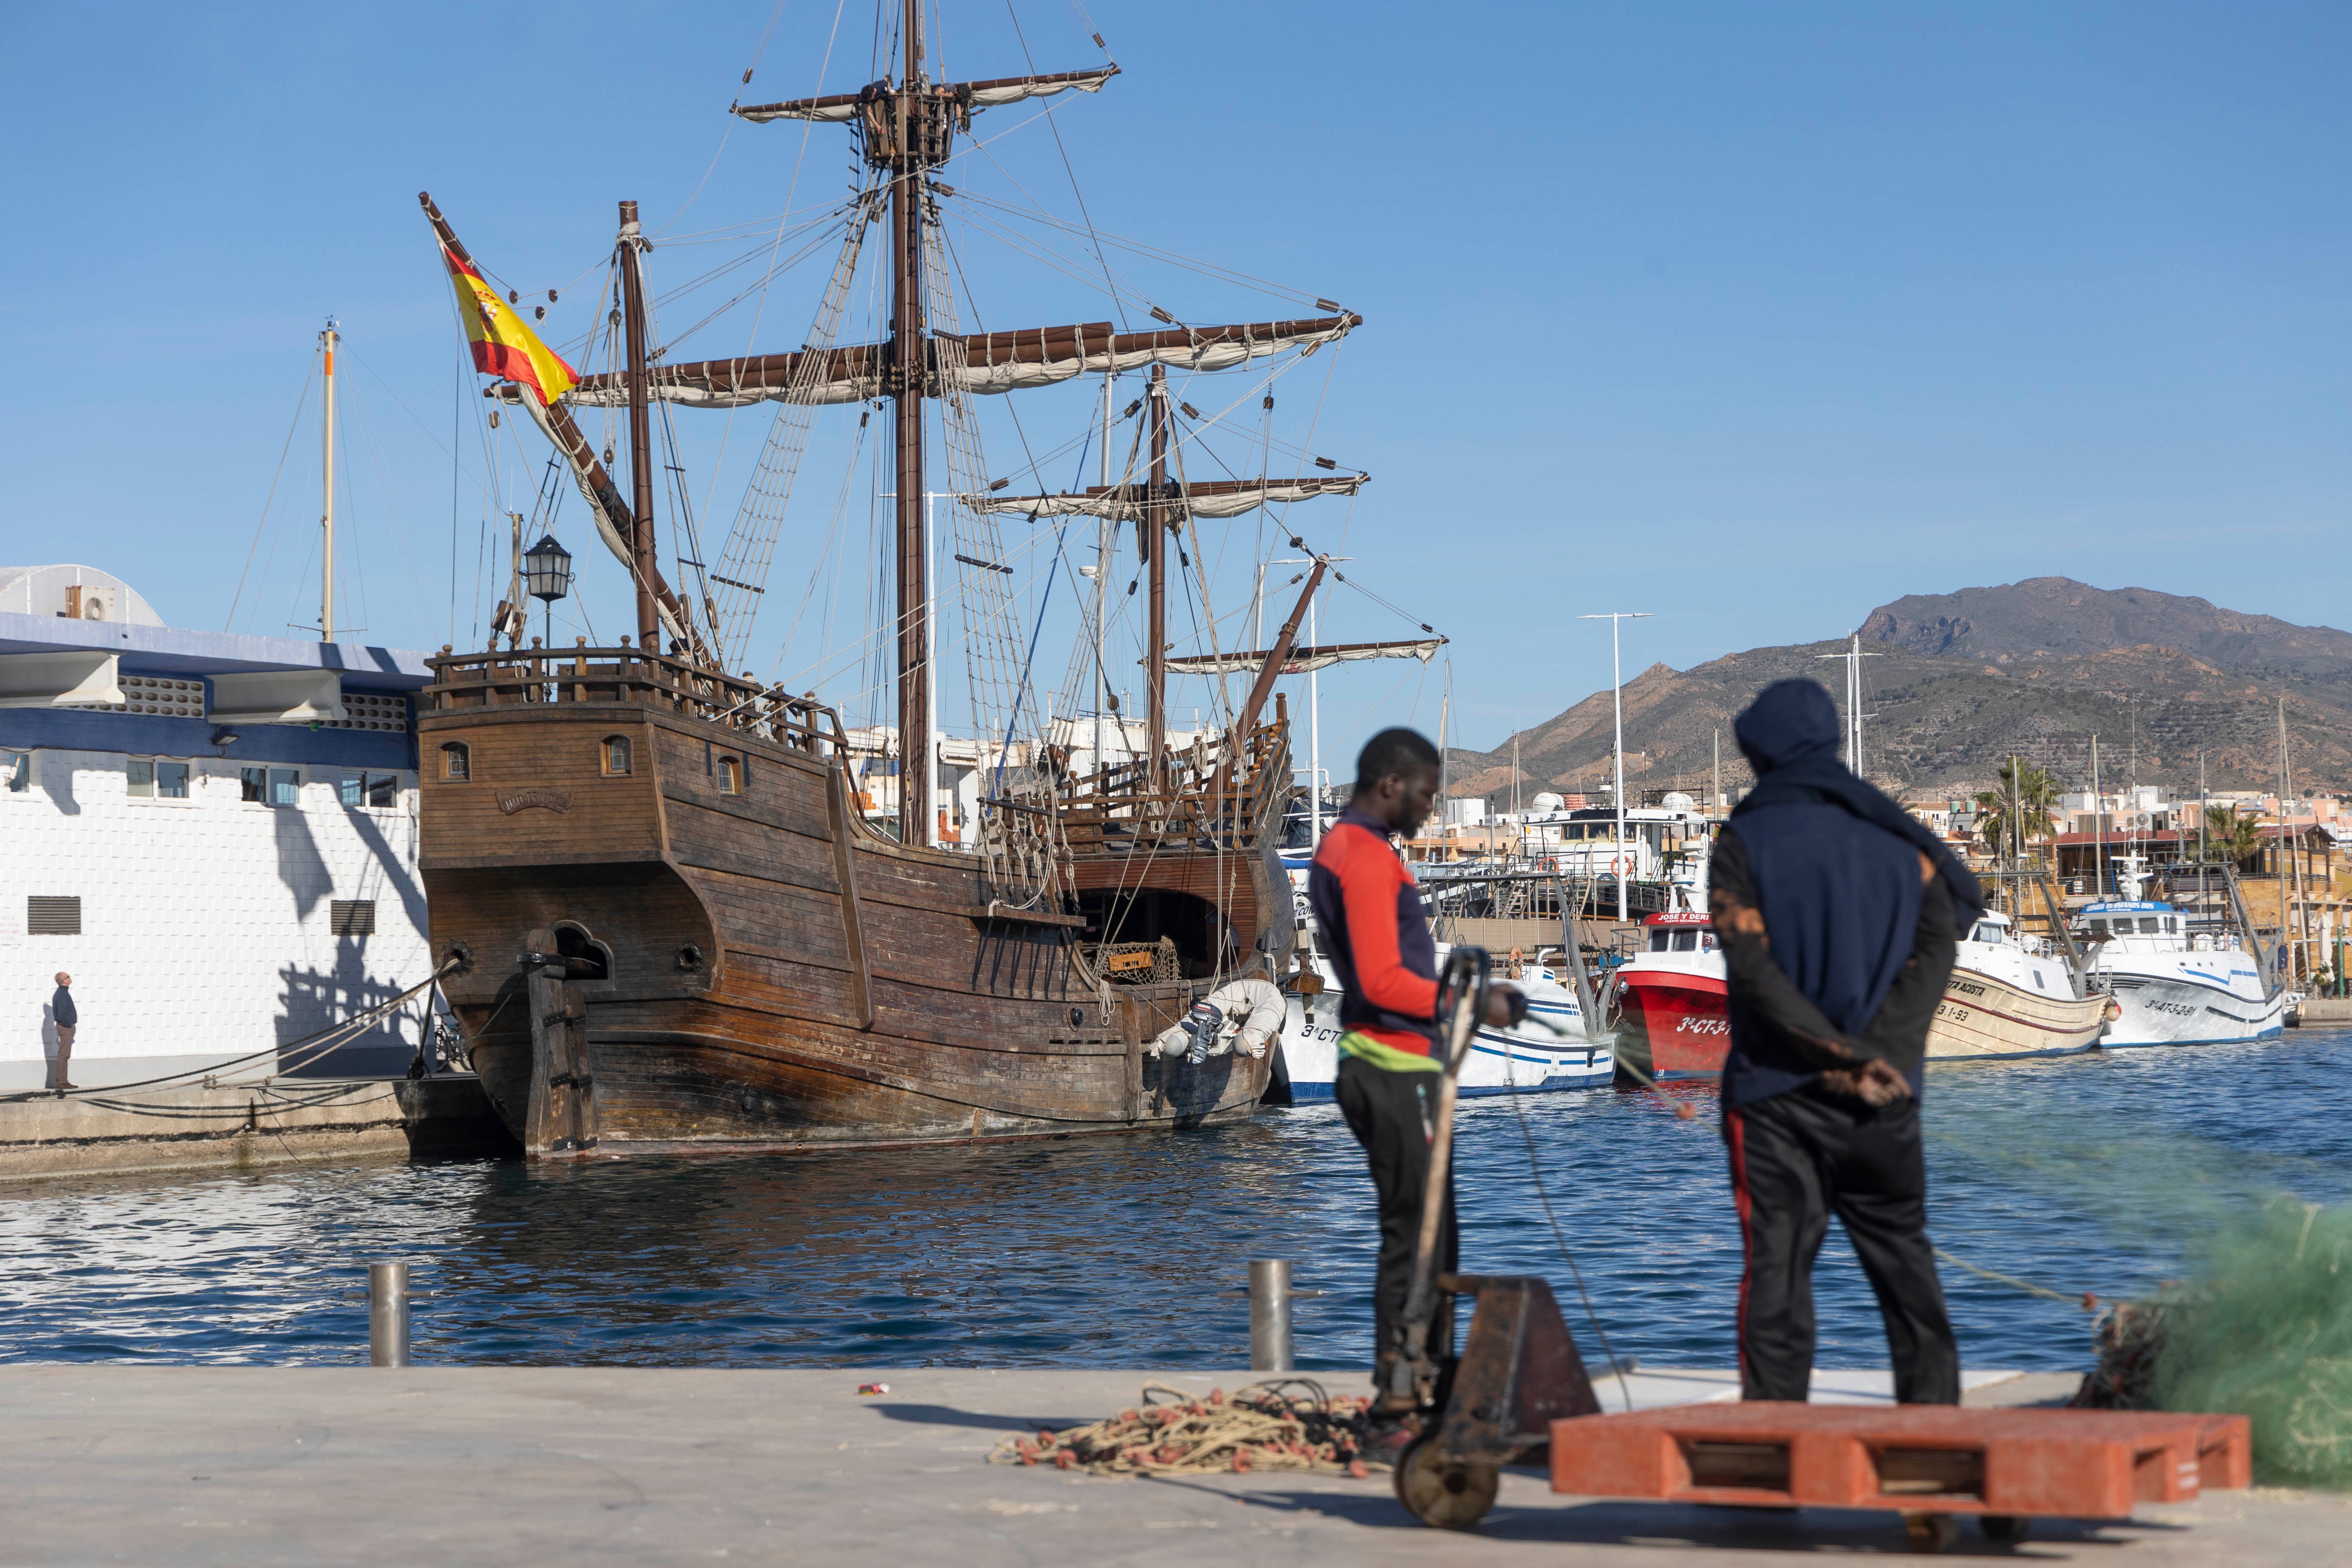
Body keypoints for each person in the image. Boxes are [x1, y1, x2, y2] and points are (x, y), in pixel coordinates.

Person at [1710, 680, 1985, 1406]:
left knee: (1775, 1273)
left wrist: (1831, 1051)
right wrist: (1879, 1052)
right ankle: (1934, 1437)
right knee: (1905, 1270)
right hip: (1884, 1094)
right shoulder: (1903, 843)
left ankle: (1771, 1444)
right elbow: (1937, 946)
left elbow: (1753, 969)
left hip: (1773, 1096)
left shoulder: (1742, 839)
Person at [1311, 726, 1520, 1428]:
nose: (1432, 806)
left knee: (1436, 1234)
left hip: (1395, 1063)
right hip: (1391, 1066)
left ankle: (1424, 1378)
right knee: (1417, 1234)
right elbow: (1380, 978)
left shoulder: (1349, 847)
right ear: (1391, 783)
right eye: (1428, 792)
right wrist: (1473, 1001)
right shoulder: (1363, 855)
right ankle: (1400, 1388)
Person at [50, 972, 77, 1092]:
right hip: (65, 1028)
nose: (70, 977)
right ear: (64, 981)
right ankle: (62, 1081)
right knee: (64, 1055)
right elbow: (61, 1014)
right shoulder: (61, 995)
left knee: (65, 1054)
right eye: (68, 976)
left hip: (67, 1027)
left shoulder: (63, 993)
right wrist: (69, 1025)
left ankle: (63, 1081)